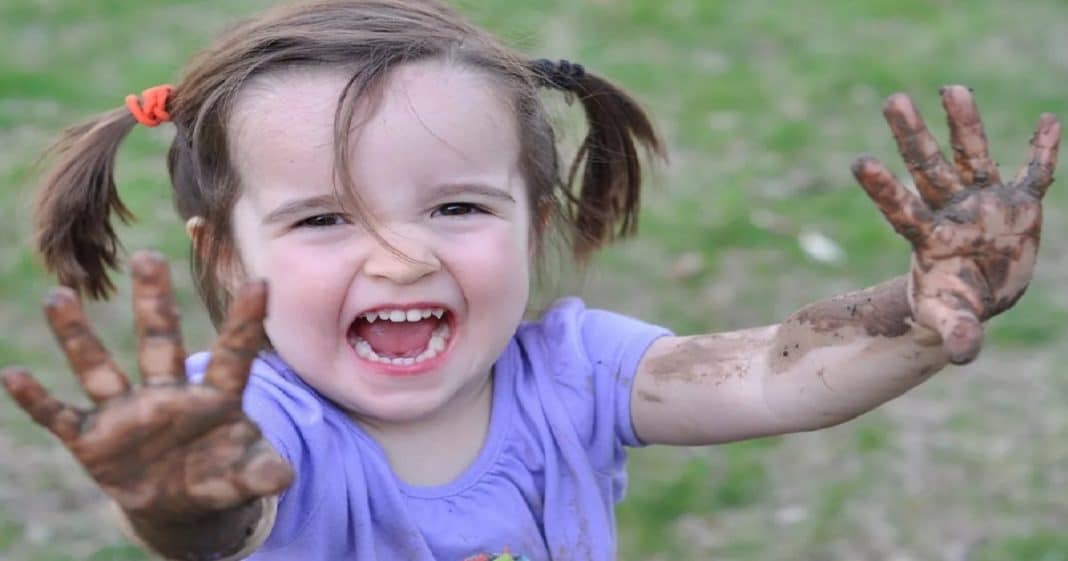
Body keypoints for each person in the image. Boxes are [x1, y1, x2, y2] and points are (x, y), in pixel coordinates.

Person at [1, 0, 1060, 560]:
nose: (401, 257)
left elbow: (769, 373)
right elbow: (231, 514)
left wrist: (921, 316)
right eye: (323, 218)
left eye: (456, 207)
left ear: (535, 221)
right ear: (227, 257)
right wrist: (181, 510)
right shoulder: (235, 427)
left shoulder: (570, 372)